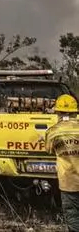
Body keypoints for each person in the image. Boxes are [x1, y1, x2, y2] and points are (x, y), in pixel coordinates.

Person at [44, 94, 79, 232]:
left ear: (58, 112)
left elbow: (49, 150)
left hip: (68, 182)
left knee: (73, 216)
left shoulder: (53, 132)